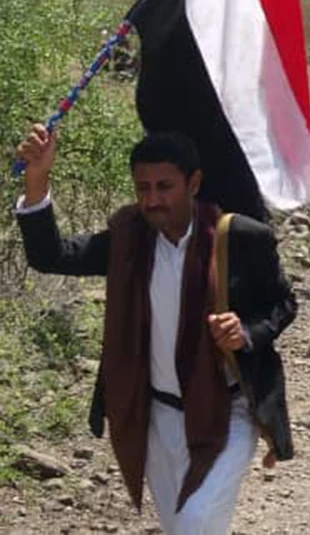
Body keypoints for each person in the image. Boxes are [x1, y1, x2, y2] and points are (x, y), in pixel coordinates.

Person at [14, 127, 295, 533]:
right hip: (159, 417)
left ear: (193, 183)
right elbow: (51, 255)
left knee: (194, 522)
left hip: (228, 409)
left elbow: (283, 303)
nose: (152, 200)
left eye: (165, 187)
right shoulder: (130, 240)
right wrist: (37, 181)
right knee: (182, 526)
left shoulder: (238, 239)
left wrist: (246, 331)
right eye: (142, 188)